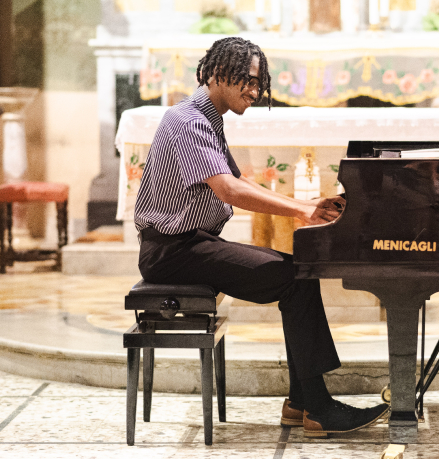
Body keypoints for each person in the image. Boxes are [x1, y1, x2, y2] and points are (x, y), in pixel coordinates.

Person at [134, 37, 389, 437]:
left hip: (191, 244)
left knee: (296, 275)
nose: (254, 91)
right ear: (217, 72)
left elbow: (237, 180)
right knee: (294, 277)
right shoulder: (188, 121)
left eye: (258, 83)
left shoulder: (205, 117)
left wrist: (303, 204)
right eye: (247, 81)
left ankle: (302, 403)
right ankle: (317, 407)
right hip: (172, 252)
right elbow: (231, 192)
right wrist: (302, 210)